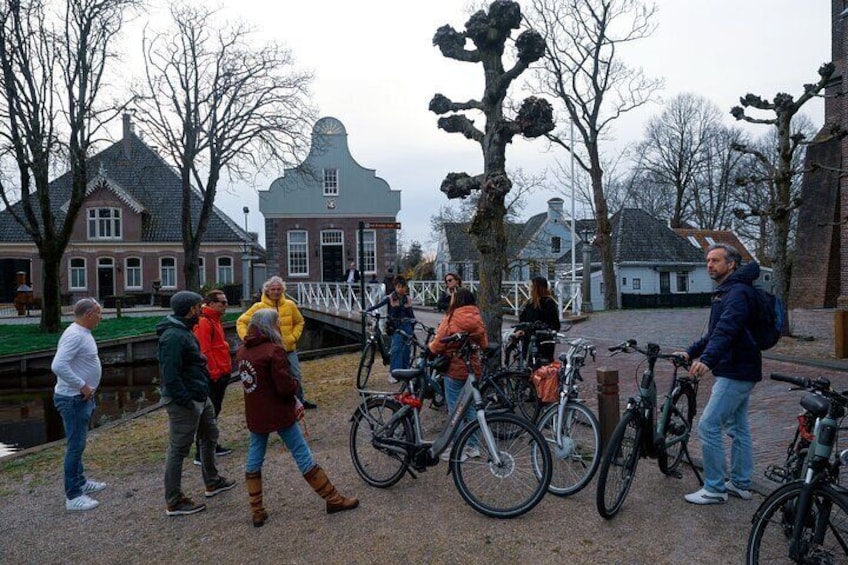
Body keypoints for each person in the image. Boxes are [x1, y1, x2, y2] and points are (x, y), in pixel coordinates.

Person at [237, 309, 359, 527]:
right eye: (276, 324)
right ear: (269, 326)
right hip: (279, 412)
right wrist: (295, 386)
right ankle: (333, 499)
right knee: (302, 453)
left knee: (255, 457)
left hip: (256, 413)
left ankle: (257, 509)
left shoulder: (243, 352)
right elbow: (285, 388)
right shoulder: (273, 351)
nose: (278, 327)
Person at [677, 243, 762, 505]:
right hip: (740, 367)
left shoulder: (736, 293)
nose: (709, 265)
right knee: (738, 427)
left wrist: (708, 360)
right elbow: (714, 333)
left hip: (736, 369)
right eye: (708, 261)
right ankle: (740, 482)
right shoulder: (727, 291)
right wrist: (691, 351)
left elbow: (727, 330)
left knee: (709, 425)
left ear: (731, 264)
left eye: (715, 260)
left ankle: (714, 488)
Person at [158, 291, 236, 517]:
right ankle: (173, 500)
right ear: (190, 309)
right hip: (187, 400)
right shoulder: (173, 336)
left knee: (209, 435)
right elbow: (170, 374)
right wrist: (185, 400)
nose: (200, 310)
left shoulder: (184, 330)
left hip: (200, 396)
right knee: (178, 449)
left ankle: (212, 481)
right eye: (197, 306)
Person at [51, 298, 106, 511]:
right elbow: (58, 365)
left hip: (80, 398)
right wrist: (82, 385)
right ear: (89, 314)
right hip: (73, 399)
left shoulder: (82, 333)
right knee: (75, 446)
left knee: (79, 443)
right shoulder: (74, 335)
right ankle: (73, 496)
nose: (101, 318)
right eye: (99, 313)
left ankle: (81, 481)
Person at [237, 276, 317, 409]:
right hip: (269, 350)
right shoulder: (258, 307)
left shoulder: (290, 305)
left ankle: (299, 401)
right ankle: (279, 402)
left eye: (279, 289)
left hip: (288, 348)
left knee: (295, 374)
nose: (276, 292)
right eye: (273, 289)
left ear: (283, 290)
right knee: (273, 377)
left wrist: (293, 337)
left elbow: (299, 321)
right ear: (267, 291)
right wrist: (247, 338)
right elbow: (241, 322)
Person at [427, 288, 488, 461]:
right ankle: (473, 446)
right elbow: (484, 343)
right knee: (471, 408)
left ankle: (458, 448)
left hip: (454, 367)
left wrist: (430, 349)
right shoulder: (477, 317)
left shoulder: (452, 317)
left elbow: (438, 343)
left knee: (455, 409)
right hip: (473, 367)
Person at [191, 290, 233, 465]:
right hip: (213, 376)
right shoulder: (205, 322)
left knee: (214, 412)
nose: (225, 305)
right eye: (222, 302)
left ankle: (211, 445)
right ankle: (201, 452)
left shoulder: (214, 320)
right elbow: (205, 351)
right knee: (208, 414)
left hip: (220, 373)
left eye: (226, 302)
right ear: (210, 304)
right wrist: (214, 373)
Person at [366, 276, 415, 382]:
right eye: (399, 287)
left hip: (407, 325)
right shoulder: (390, 298)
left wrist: (413, 324)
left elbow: (411, 314)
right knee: (396, 349)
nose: (401, 289)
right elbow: (378, 305)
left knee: (406, 350)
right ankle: (394, 373)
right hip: (396, 326)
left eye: (403, 287)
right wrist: (367, 310)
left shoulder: (408, 299)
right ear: (395, 287)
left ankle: (405, 372)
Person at [518, 276, 562, 363]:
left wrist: (544, 328)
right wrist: (520, 329)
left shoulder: (548, 303)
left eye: (532, 287)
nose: (530, 289)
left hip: (543, 341)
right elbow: (523, 319)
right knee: (529, 363)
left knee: (542, 365)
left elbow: (554, 324)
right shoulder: (529, 303)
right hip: (529, 338)